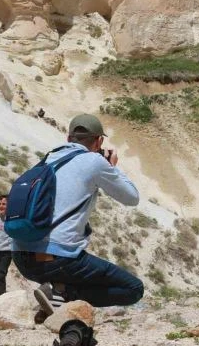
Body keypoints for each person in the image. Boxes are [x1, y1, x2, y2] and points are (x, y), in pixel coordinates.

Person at [12, 113, 143, 313]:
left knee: (78, 272)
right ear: (99, 141)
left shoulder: (49, 159)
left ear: (68, 138)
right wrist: (110, 166)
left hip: (21, 257)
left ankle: (56, 295)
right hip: (58, 260)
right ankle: (63, 295)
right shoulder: (94, 162)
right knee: (133, 288)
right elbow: (131, 197)